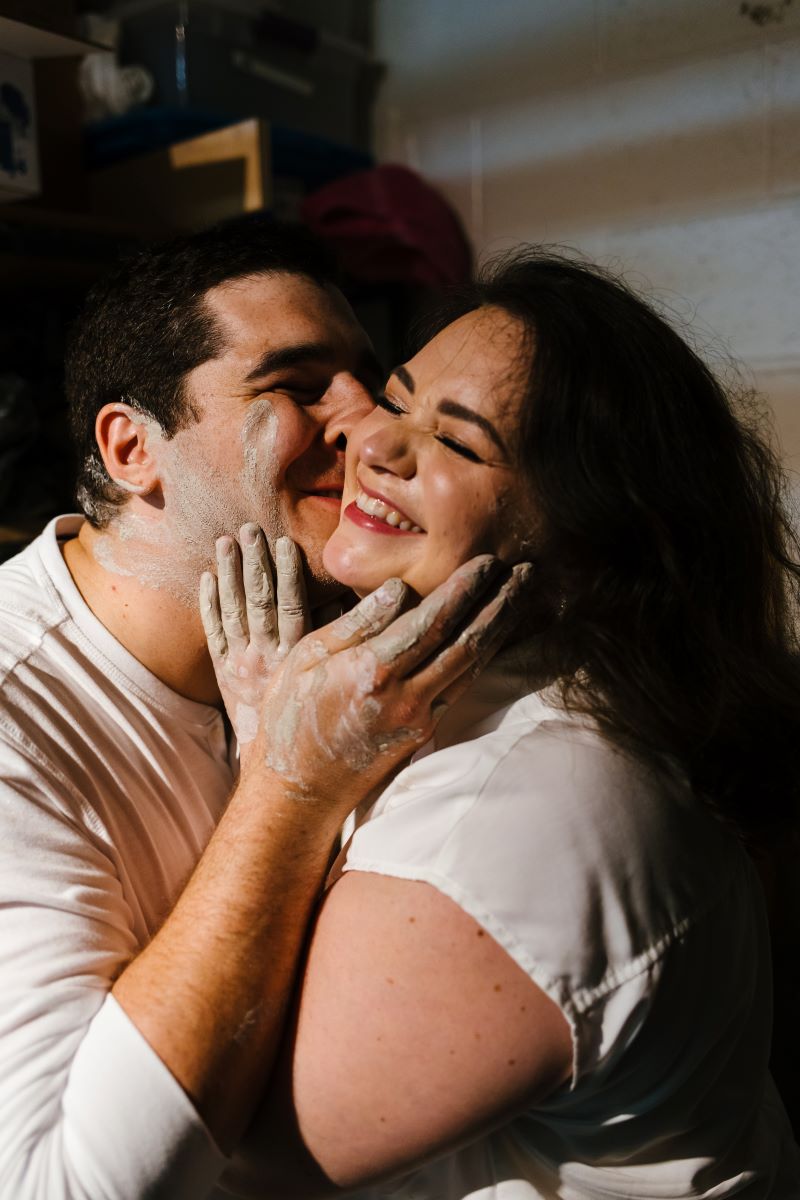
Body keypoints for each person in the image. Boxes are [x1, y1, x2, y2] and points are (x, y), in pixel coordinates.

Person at [201, 249, 800, 1198]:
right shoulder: (498, 689)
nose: (377, 444)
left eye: (462, 445)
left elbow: (222, 1156)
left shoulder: (531, 814)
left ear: (583, 540)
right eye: (398, 402)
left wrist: (277, 774)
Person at [0, 219, 523, 1200]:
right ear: (131, 449)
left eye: (372, 383)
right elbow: (54, 1186)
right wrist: (286, 788)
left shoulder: (366, 616)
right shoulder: (16, 715)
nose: (368, 425)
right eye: (294, 384)